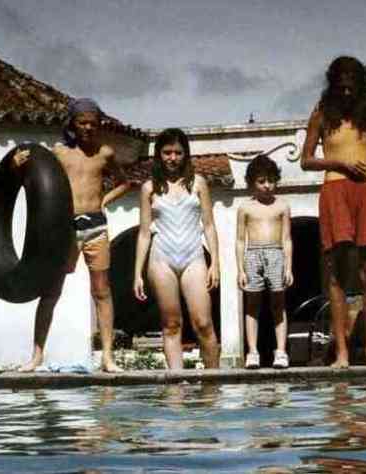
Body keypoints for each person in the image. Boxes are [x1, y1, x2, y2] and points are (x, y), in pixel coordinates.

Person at [12, 98, 129, 373]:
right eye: (82, 122)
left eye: (93, 123)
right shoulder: (60, 152)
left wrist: (105, 200)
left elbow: (125, 182)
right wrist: (16, 164)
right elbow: (33, 173)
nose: (88, 127)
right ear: (73, 124)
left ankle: (108, 358)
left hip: (96, 227)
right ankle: (36, 356)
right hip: (65, 228)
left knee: (102, 291)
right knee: (51, 290)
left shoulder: (105, 153)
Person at [299, 56, 366, 368]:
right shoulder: (322, 112)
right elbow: (306, 159)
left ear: (360, 82)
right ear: (333, 82)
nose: (347, 88)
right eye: (342, 82)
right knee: (338, 273)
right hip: (336, 188)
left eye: (352, 82)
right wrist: (340, 164)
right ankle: (340, 353)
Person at [133, 128, 221, 369]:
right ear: (159, 155)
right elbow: (143, 233)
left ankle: (213, 385)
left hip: (194, 258)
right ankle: (176, 393)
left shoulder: (198, 183)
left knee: (203, 323)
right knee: (171, 324)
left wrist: (215, 263)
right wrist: (137, 274)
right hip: (161, 259)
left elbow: (210, 226)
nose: (172, 157)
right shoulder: (149, 188)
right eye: (167, 152)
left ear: (186, 154)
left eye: (178, 152)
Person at [235, 154, 293, 369]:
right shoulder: (245, 208)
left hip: (276, 253)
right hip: (253, 254)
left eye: (271, 180)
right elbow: (240, 240)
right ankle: (252, 351)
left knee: (279, 304)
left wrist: (289, 266)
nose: (267, 186)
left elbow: (287, 239)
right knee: (252, 305)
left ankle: (281, 351)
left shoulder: (282, 206)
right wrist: (240, 269)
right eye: (261, 181)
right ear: (252, 183)